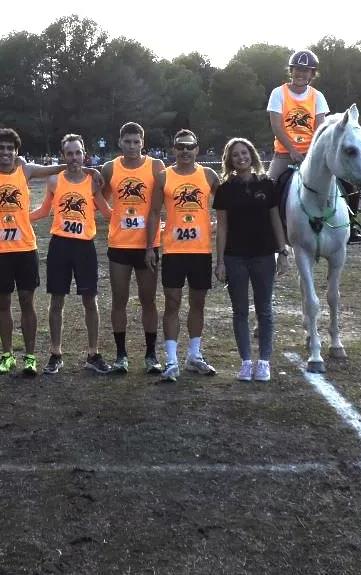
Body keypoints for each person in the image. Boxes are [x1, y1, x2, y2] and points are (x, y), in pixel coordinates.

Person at [0, 128, 64, 376]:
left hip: (25, 249)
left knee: (27, 303)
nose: (6, 152)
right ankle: (7, 355)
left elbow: (55, 169)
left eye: (10, 148)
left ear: (17, 151)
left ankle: (30, 357)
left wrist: (85, 167)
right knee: (3, 304)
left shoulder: (25, 170)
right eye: (1, 148)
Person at [31, 133, 114, 374]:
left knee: (90, 300)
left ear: (84, 154)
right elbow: (45, 210)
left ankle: (93, 353)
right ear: (62, 156)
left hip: (84, 247)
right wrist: (20, 218)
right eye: (69, 153)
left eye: (78, 152)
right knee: (57, 300)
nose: (74, 157)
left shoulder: (92, 181)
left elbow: (107, 211)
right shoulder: (54, 181)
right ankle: (55, 354)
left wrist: (134, 219)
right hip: (60, 246)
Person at [144, 129, 221, 382]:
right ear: (173, 150)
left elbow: (224, 209)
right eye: (180, 147)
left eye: (190, 147)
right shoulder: (164, 177)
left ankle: (194, 356)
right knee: (172, 305)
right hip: (174, 251)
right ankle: (172, 360)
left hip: (201, 251)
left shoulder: (209, 175)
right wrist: (149, 248)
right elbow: (154, 213)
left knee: (198, 304)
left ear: (197, 149)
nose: (185, 151)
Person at [267, 50, 361, 245]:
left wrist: (311, 152)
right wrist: (292, 150)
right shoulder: (279, 93)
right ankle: (270, 230)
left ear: (312, 74)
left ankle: (352, 226)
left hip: (313, 154)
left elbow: (320, 128)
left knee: (347, 185)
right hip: (285, 154)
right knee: (268, 188)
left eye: (305, 71)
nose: (300, 74)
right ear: (291, 71)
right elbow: (277, 127)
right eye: (297, 70)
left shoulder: (317, 96)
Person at [213, 137, 289, 383]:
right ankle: (246, 361)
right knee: (240, 311)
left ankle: (264, 361)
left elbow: (276, 220)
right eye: (235, 155)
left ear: (252, 155)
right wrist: (220, 260)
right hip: (235, 257)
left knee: (264, 309)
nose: (241, 158)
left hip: (264, 256)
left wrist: (283, 252)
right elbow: (222, 227)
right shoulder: (224, 189)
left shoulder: (267, 185)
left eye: (244, 153)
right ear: (229, 160)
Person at [100, 121, 166, 373]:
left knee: (148, 300)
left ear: (143, 143)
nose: (131, 146)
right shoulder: (110, 168)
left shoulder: (155, 166)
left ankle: (151, 355)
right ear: (120, 143)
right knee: (119, 300)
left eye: (136, 141)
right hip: (119, 245)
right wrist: (112, 215)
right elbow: (100, 197)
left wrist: (150, 245)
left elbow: (157, 208)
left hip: (147, 246)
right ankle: (121, 355)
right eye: (127, 141)